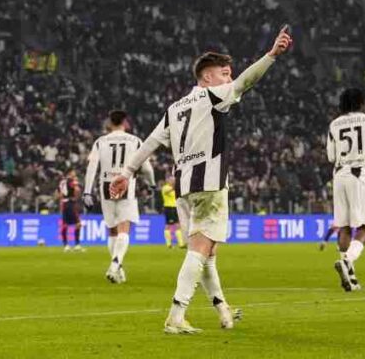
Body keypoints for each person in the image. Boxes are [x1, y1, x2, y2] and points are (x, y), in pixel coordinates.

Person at [110, 27, 293, 334]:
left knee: (207, 251)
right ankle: (176, 314)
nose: (228, 79)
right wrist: (272, 55)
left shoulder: (174, 108)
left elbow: (151, 142)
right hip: (209, 182)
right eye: (224, 74)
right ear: (207, 78)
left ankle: (222, 309)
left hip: (184, 187)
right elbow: (247, 81)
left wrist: (127, 172)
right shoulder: (212, 96)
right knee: (200, 248)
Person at [83, 110, 155, 283]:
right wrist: (152, 184)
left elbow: (92, 167)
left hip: (106, 184)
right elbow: (146, 168)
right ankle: (116, 263)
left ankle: (118, 269)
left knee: (112, 229)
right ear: (125, 122)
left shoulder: (100, 142)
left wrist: (87, 191)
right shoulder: (135, 140)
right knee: (124, 228)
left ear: (110, 122)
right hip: (125, 183)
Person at [327, 87, 365, 292]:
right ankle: (347, 261)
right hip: (359, 175)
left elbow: (331, 157)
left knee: (343, 227)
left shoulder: (334, 124)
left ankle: (350, 277)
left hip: (339, 175)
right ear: (361, 102)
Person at [57, 169, 84, 252]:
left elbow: (59, 194)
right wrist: (76, 197)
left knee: (65, 225)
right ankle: (77, 245)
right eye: (73, 173)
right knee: (78, 224)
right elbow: (77, 190)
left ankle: (66, 245)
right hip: (71, 203)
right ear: (69, 173)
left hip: (64, 203)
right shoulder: (72, 181)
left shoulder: (62, 182)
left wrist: (61, 202)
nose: (74, 174)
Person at [162, 177, 186, 249]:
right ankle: (169, 243)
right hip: (169, 208)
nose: (173, 181)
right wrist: (175, 186)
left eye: (174, 180)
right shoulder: (165, 187)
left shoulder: (174, 189)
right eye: (171, 180)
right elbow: (167, 192)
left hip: (175, 208)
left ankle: (181, 244)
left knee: (178, 225)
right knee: (168, 225)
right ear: (168, 181)